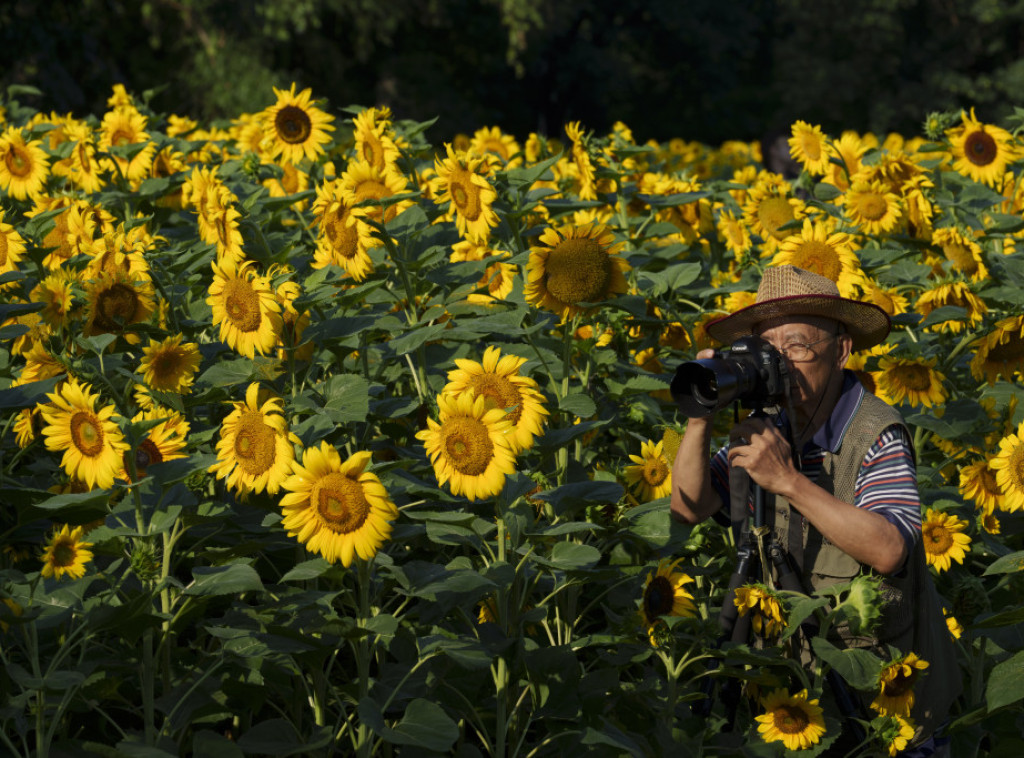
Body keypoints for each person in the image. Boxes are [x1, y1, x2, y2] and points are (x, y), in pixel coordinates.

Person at [670, 265, 961, 756]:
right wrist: (701, 417)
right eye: (769, 350)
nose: (781, 365)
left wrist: (788, 481)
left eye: (798, 348)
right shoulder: (770, 424)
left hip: (883, 701)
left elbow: (891, 549)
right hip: (796, 698)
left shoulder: (875, 431)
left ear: (842, 350)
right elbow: (688, 507)